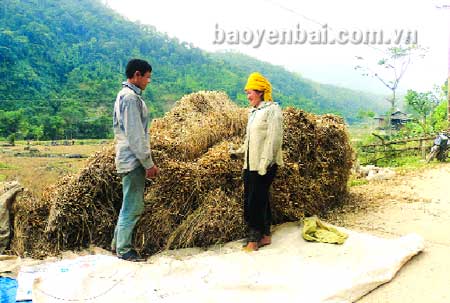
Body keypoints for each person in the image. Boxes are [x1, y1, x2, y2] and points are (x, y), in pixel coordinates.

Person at [111, 59, 159, 261]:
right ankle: (124, 250)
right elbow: (135, 135)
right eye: (147, 77)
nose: (148, 81)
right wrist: (148, 163)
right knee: (133, 206)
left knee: (128, 204)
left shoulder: (128, 96)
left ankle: (116, 245)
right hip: (132, 160)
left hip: (129, 158)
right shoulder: (130, 98)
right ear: (137, 75)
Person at [230, 72, 284, 252]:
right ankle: (266, 235)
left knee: (254, 201)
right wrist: (238, 152)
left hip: (264, 165)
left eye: (250, 92)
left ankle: (255, 237)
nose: (248, 96)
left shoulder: (272, 110)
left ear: (260, 92)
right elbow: (250, 140)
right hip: (251, 164)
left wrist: (264, 164)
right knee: (260, 199)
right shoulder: (254, 112)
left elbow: (274, 139)